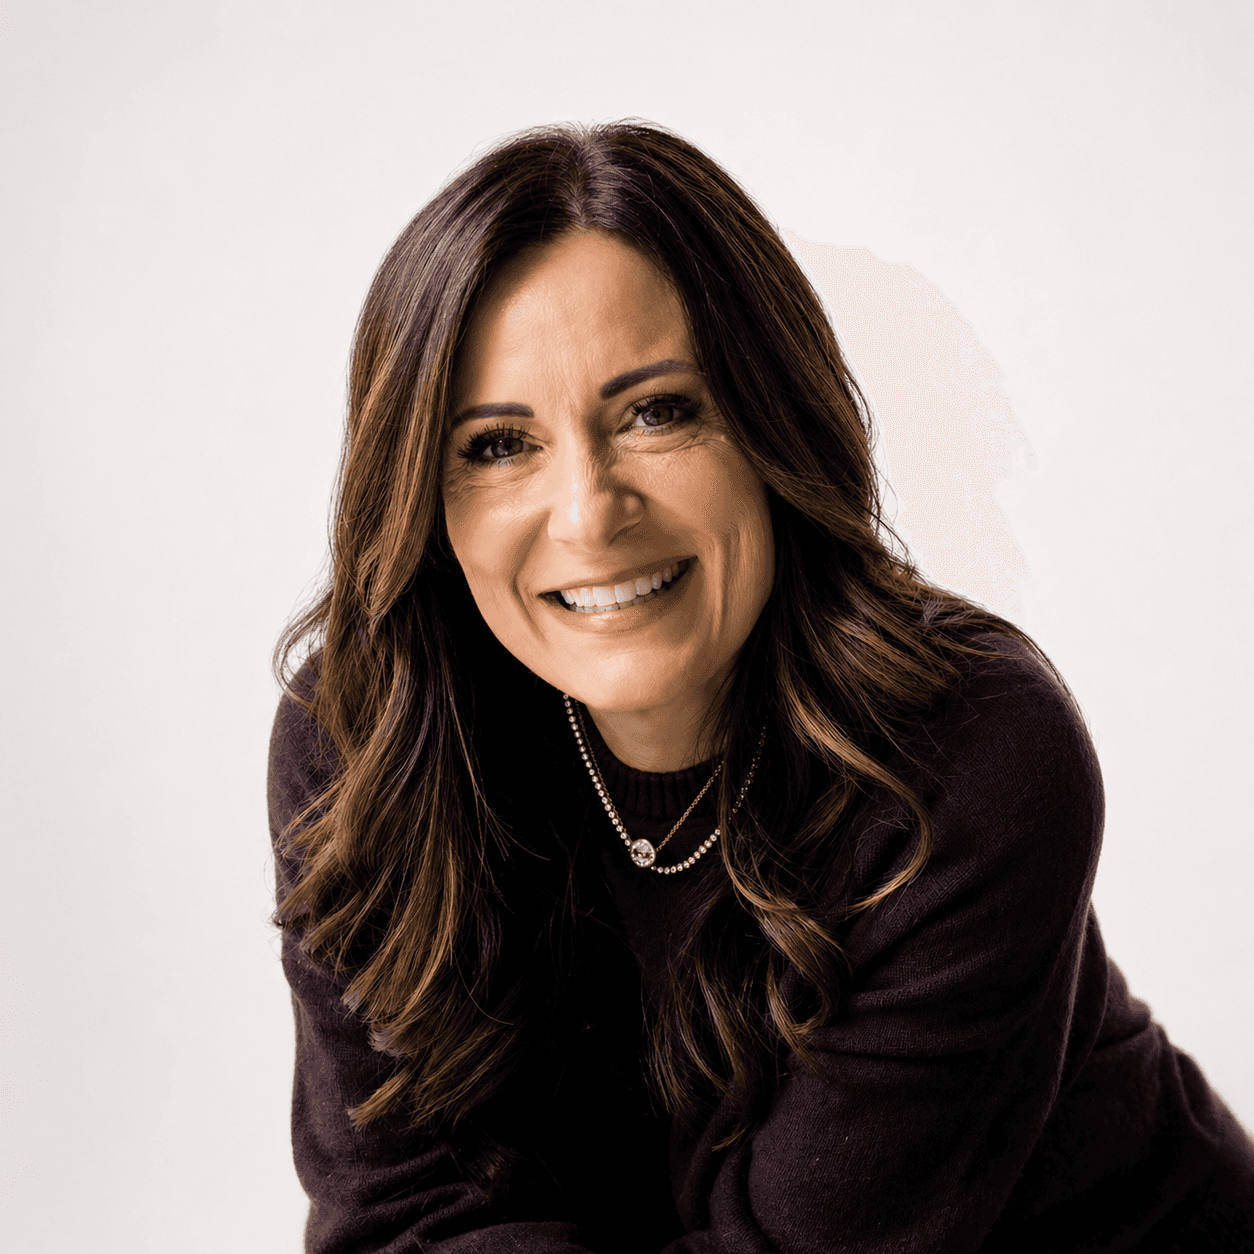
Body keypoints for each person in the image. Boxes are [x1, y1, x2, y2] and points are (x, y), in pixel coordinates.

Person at [267, 120, 1254, 1252]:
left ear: (769, 421)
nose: (589, 515)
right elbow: (399, 1215)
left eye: (658, 411)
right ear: (423, 498)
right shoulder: (364, 744)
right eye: (498, 445)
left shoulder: (972, 753)